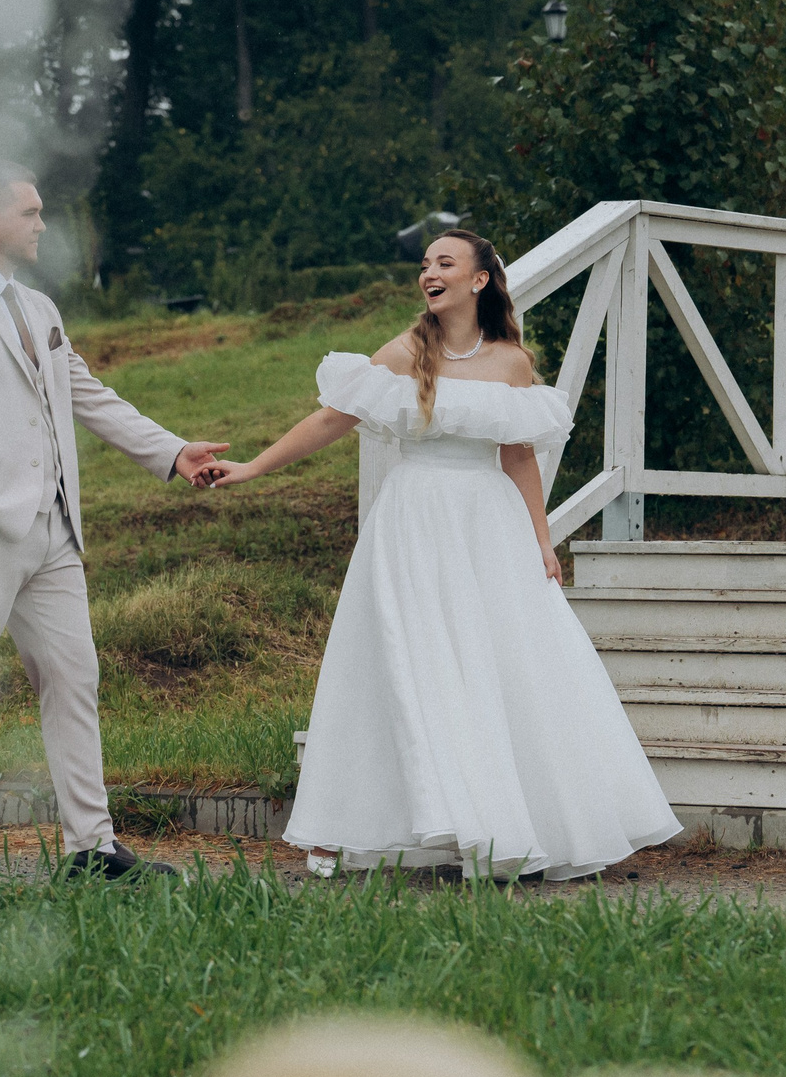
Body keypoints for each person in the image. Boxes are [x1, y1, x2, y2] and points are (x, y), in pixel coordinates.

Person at [203, 229, 681, 881]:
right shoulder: (402, 353)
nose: (429, 271)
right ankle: (407, 825)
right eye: (426, 262)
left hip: (487, 526)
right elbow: (329, 420)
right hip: (413, 524)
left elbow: (518, 455)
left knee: (499, 667)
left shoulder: (511, 362)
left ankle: (513, 833)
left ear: (480, 279)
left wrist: (542, 540)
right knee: (413, 664)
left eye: (445, 262)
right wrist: (253, 466)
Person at [0, 160, 227, 880]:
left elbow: (88, 394)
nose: (44, 224)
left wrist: (171, 451)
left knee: (75, 678)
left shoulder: (40, 310)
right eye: (31, 212)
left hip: (54, 532)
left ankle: (92, 848)